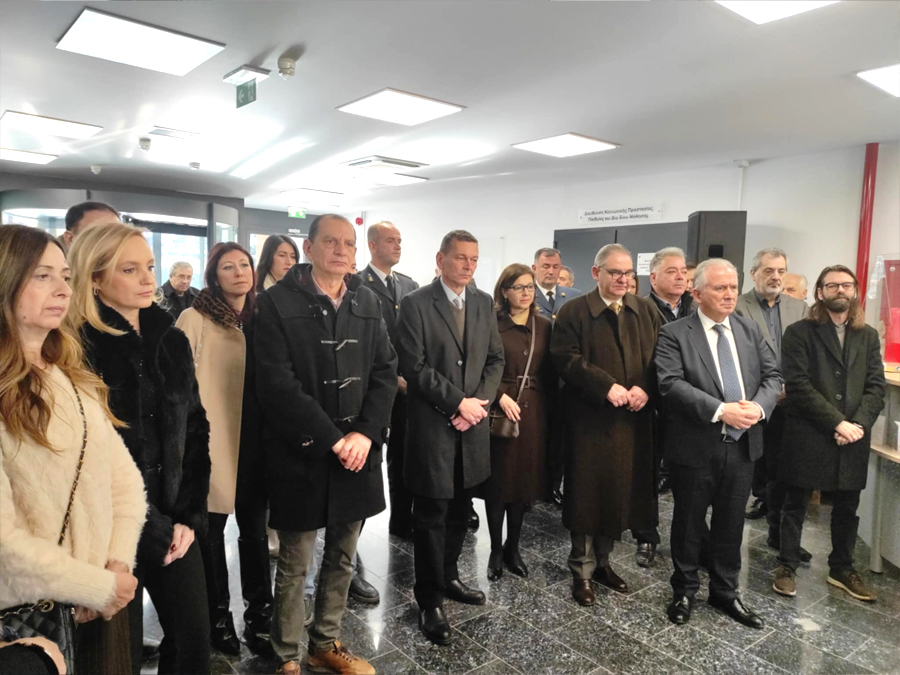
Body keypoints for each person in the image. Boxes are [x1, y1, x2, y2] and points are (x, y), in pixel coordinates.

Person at [256, 214, 397, 675]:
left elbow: (384, 372)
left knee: (342, 556)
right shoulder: (275, 302)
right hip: (303, 451)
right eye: (331, 242)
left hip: (357, 452)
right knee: (295, 562)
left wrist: (365, 433)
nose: (341, 251)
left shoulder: (367, 300)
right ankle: (285, 655)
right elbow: (277, 384)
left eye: (349, 244)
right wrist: (334, 439)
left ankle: (324, 643)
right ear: (310, 247)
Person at [68, 222, 212, 675]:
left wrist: (188, 515)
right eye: (130, 269)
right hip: (109, 530)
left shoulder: (170, 337)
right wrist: (151, 526)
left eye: (149, 266)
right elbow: (85, 457)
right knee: (115, 658)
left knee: (193, 642)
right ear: (95, 278)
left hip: (175, 516)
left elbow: (194, 425)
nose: (149, 279)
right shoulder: (75, 346)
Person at [0, 225, 145, 675]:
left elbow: (124, 481)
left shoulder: (70, 376)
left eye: (64, 276)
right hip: (29, 616)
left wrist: (117, 564)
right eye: (42, 276)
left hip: (99, 604)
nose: (63, 289)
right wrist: (94, 585)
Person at [654, 259, 781, 629]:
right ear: (696, 293)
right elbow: (670, 383)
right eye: (719, 288)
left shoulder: (748, 329)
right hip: (696, 445)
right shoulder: (675, 333)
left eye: (733, 287)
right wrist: (721, 410)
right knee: (688, 523)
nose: (729, 295)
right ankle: (684, 590)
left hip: (743, 446)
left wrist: (758, 407)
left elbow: (773, 376)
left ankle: (725, 592)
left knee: (731, 524)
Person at [395, 230, 504, 645]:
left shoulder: (483, 302)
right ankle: (429, 599)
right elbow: (413, 366)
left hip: (471, 427)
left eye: (474, 259)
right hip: (434, 428)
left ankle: (450, 576)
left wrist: (479, 404)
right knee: (431, 516)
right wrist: (459, 403)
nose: (468, 265)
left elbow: (495, 359)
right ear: (440, 260)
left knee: (461, 510)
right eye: (460, 258)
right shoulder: (416, 303)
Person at [176, 243, 273, 656]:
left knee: (254, 535)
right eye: (228, 267)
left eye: (245, 264)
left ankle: (261, 620)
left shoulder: (262, 318)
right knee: (211, 537)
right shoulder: (194, 317)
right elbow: (177, 386)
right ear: (214, 276)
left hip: (254, 441)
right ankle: (218, 620)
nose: (239, 272)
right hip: (211, 443)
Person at [550, 244, 660, 606]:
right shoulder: (574, 311)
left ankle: (603, 563)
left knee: (619, 494)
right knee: (587, 496)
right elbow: (565, 358)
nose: (623, 279)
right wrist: (605, 386)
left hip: (633, 422)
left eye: (628, 273)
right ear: (596, 273)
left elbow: (661, 357)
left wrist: (646, 387)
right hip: (590, 423)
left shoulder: (645, 310)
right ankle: (581, 570)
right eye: (615, 273)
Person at [773, 265, 885, 601]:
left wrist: (858, 425)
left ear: (855, 291)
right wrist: (838, 423)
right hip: (809, 429)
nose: (840, 290)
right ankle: (787, 566)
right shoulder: (799, 332)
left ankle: (842, 568)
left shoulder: (868, 335)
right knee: (795, 503)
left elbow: (875, 387)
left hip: (853, 434)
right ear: (819, 292)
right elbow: (798, 385)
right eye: (832, 285)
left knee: (847, 506)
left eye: (846, 285)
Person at [735, 249, 811, 565]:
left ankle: (779, 534)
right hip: (752, 400)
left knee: (785, 469)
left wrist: (791, 386)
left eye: (781, 270)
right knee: (754, 465)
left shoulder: (799, 307)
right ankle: (735, 534)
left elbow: (807, 353)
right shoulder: (738, 305)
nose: (776, 276)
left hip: (792, 402)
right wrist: (768, 390)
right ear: (754, 273)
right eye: (769, 270)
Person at [481, 264, 554, 581]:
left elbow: (550, 372)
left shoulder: (544, 325)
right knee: (499, 484)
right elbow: (480, 368)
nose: (526, 293)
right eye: (519, 287)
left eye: (530, 287)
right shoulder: (491, 324)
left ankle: (513, 547)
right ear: (504, 291)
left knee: (523, 483)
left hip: (533, 412)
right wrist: (499, 396)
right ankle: (495, 550)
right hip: (500, 411)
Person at [360, 222, 419, 539]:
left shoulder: (408, 285)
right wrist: (391, 378)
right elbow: (362, 343)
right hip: (374, 385)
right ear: (372, 245)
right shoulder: (358, 283)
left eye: (399, 240)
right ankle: (352, 533)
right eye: (390, 241)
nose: (397, 246)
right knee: (368, 458)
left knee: (404, 455)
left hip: (408, 386)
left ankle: (401, 520)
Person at [532, 248, 581, 322]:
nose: (551, 272)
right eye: (546, 267)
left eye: (555, 267)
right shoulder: (527, 295)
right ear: (534, 269)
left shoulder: (574, 296)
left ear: (560, 269)